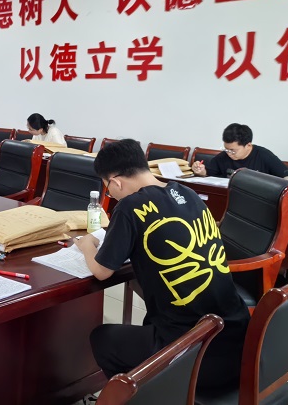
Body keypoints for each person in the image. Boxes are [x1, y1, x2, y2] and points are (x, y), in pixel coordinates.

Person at [77, 139, 249, 390]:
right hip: (236, 341)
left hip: (194, 354)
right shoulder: (187, 193)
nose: (111, 195)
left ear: (115, 182)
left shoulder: (129, 206)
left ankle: (154, 393)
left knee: (102, 338)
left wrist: (86, 246)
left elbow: (102, 271)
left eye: (108, 189)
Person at [191, 123, 288, 178]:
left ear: (248, 145)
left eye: (233, 150)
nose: (229, 153)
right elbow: (208, 173)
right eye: (226, 149)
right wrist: (201, 171)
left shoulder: (264, 156)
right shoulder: (223, 156)